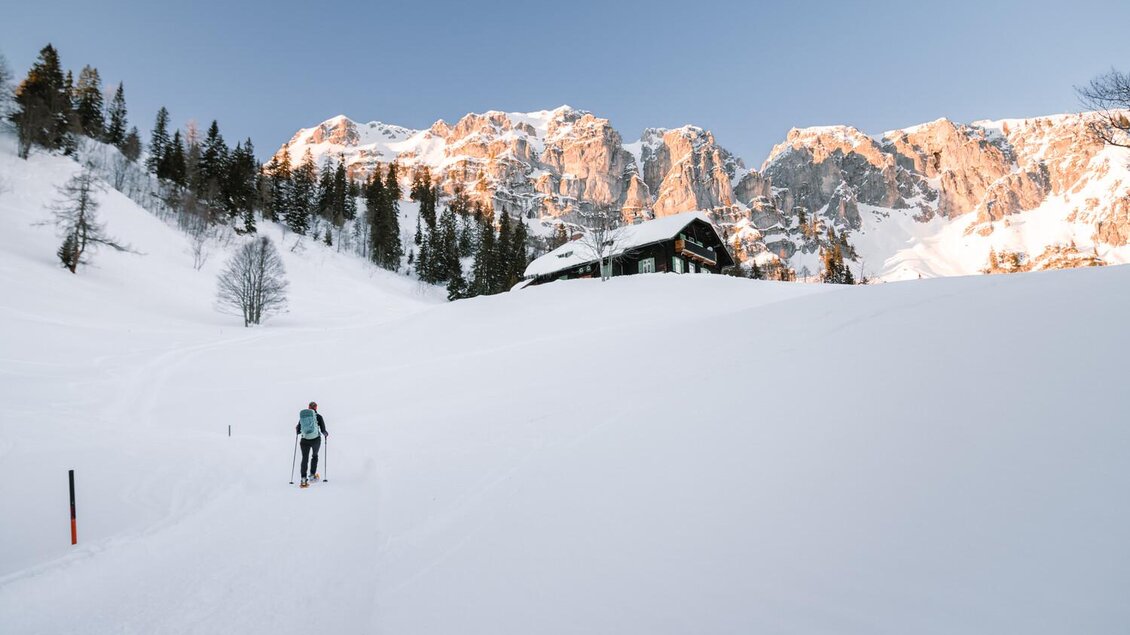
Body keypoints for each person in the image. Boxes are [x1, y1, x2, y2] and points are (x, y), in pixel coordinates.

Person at [296, 401, 328, 488]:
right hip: (315, 440)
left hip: (304, 440)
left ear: (309, 407)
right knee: (314, 456)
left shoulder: (302, 418)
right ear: (316, 408)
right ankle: (312, 476)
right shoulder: (319, 417)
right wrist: (326, 434)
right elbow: (323, 430)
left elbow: (298, 431)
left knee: (304, 458)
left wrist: (297, 430)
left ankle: (303, 479)